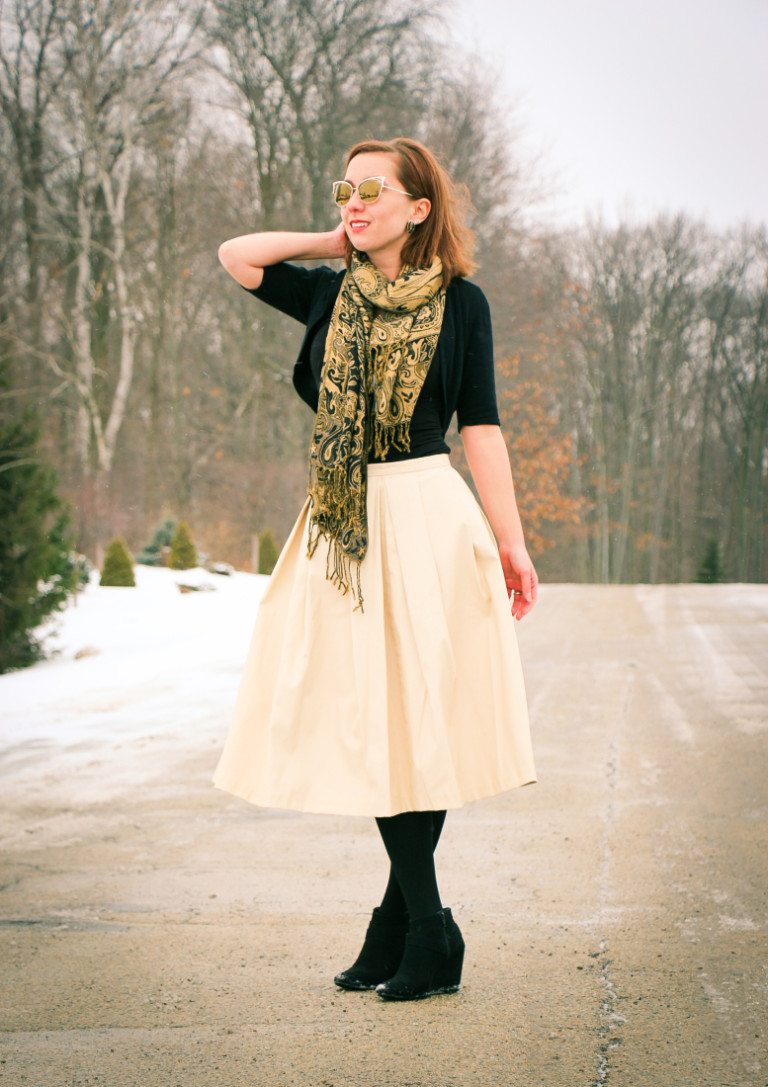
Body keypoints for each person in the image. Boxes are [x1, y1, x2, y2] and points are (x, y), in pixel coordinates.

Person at [212, 136, 538, 1001]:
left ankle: (408, 928)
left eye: (372, 191)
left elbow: (483, 428)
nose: (353, 201)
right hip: (344, 521)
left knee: (419, 719)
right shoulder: (329, 293)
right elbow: (236, 255)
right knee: (372, 715)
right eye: (344, 189)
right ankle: (422, 928)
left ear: (419, 208)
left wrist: (512, 539)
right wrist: (334, 242)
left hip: (429, 513)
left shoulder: (464, 304)